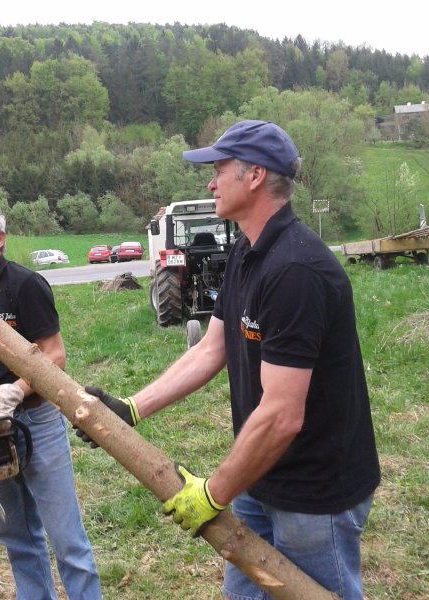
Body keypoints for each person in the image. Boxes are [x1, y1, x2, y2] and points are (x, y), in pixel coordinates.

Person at [80, 120, 380, 599]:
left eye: (219, 169)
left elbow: (281, 416)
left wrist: (212, 494)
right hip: (256, 472)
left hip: (314, 490)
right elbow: (210, 348)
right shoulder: (246, 250)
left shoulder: (296, 270)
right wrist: (131, 408)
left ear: (255, 175)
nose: (210, 182)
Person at [0, 203, 101, 600]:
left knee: (66, 539)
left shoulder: (25, 285)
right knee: (17, 536)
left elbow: (54, 354)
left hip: (35, 421)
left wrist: (13, 392)